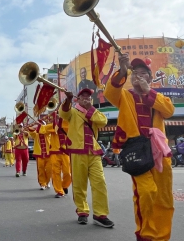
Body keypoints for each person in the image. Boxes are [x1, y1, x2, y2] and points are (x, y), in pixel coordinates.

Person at [104, 55, 175, 240]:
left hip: (159, 152)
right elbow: (109, 93)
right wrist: (122, 69)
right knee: (146, 192)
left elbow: (169, 111)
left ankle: (162, 237)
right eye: (135, 73)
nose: (139, 76)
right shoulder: (125, 95)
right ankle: (145, 234)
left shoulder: (159, 97)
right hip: (137, 152)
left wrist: (148, 92)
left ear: (150, 78)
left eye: (143, 73)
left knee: (164, 197)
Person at [59, 88, 114, 228]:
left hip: (94, 152)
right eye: (83, 97)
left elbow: (103, 121)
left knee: (100, 183)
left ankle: (100, 214)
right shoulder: (72, 111)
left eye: (88, 97)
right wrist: (68, 99)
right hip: (77, 151)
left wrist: (90, 109)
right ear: (77, 99)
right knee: (79, 184)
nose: (86, 99)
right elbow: (63, 113)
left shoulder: (94, 112)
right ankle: (82, 211)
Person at [38, 112, 72, 198]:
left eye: (59, 115)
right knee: (55, 172)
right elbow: (42, 129)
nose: (57, 116)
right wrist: (38, 124)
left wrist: (59, 122)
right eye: (56, 115)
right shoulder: (52, 126)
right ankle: (59, 191)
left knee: (68, 172)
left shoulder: (67, 123)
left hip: (65, 152)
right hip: (54, 152)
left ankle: (64, 185)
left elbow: (69, 127)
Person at [28, 120, 52, 190]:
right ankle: (42, 183)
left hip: (48, 154)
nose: (40, 125)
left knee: (49, 170)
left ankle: (47, 182)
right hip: (39, 154)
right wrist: (35, 126)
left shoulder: (47, 133)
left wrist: (42, 127)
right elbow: (31, 131)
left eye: (42, 124)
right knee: (40, 170)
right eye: (40, 124)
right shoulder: (36, 134)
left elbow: (48, 129)